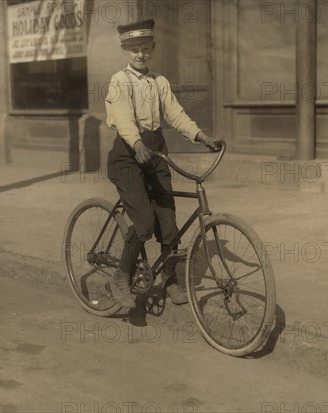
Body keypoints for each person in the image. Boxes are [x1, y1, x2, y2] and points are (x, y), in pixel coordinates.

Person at [105, 19, 219, 309]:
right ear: (125, 51)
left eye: (145, 48)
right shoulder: (120, 81)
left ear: (152, 48)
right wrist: (137, 143)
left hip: (155, 151)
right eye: (134, 50)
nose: (140, 54)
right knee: (143, 223)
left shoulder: (160, 82)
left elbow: (176, 114)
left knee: (169, 224)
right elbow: (122, 119)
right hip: (128, 155)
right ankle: (121, 275)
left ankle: (169, 279)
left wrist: (201, 136)